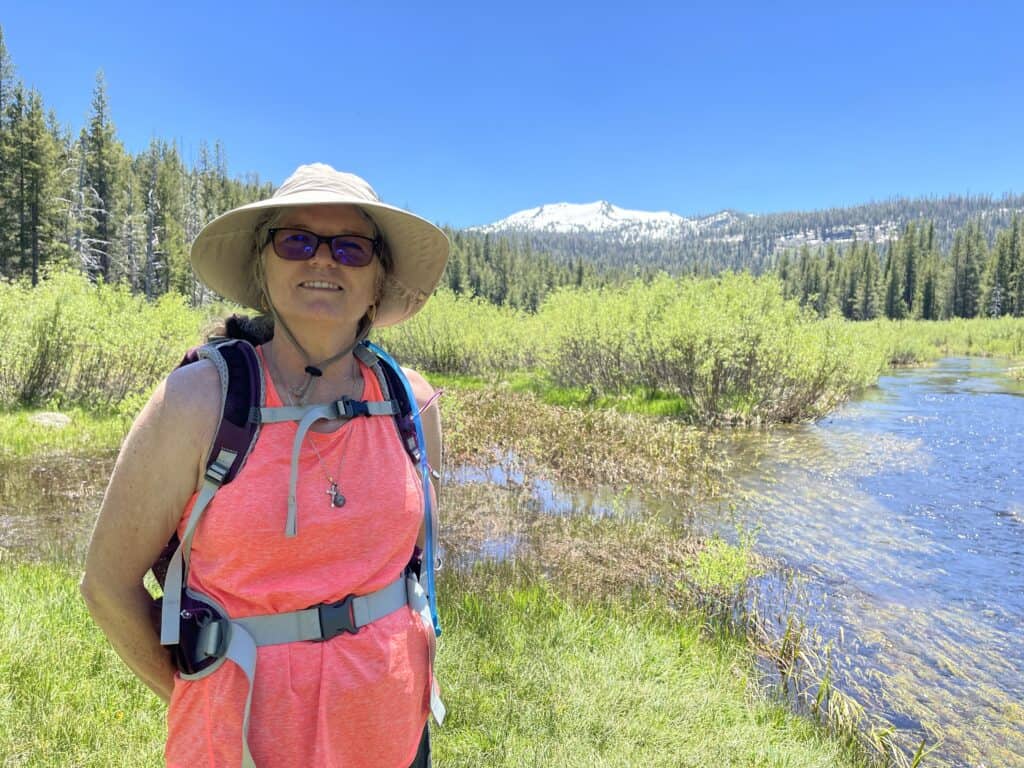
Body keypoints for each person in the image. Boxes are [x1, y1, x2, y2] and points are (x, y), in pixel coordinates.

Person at [80, 163, 449, 768]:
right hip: (237, 747)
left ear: (379, 278)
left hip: (396, 740)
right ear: (263, 263)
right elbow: (107, 585)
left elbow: (413, 564)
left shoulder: (413, 401)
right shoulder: (198, 403)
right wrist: (196, 693)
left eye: (352, 248)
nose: (322, 260)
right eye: (296, 240)